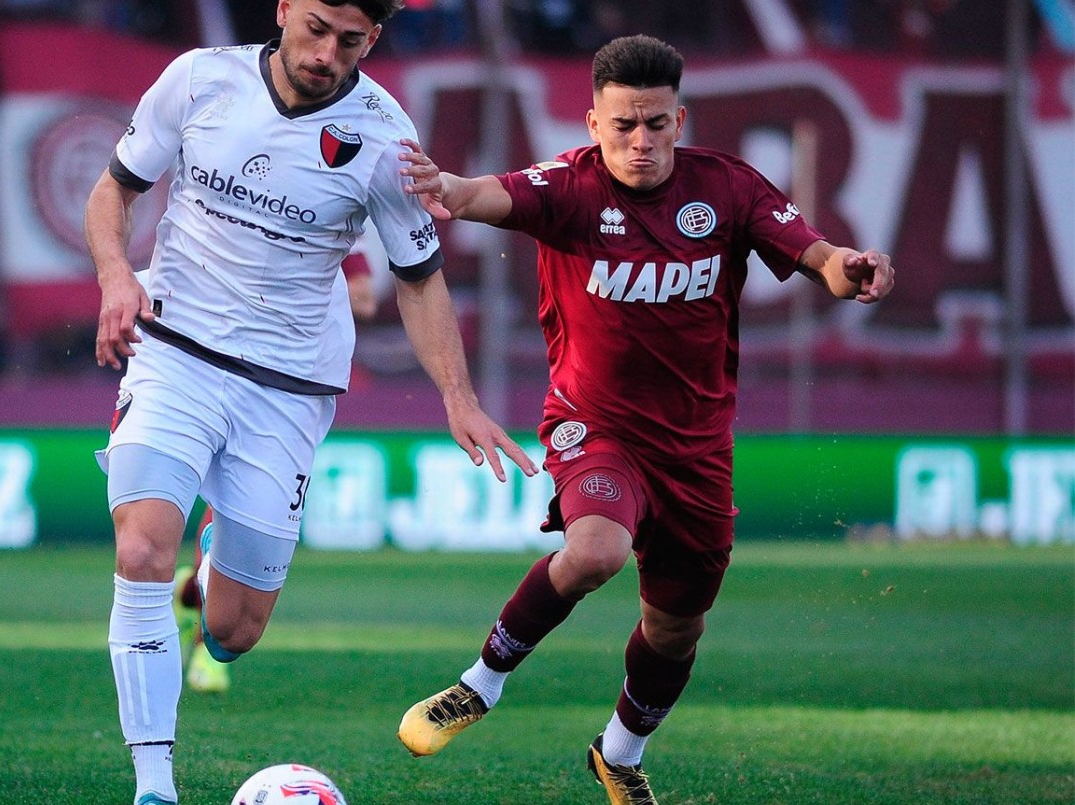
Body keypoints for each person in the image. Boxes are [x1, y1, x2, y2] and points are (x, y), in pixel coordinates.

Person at [394, 34, 894, 804]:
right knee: (593, 551)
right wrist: (446, 185)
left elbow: (812, 252)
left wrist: (845, 266)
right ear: (593, 122)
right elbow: (479, 194)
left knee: (675, 630)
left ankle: (620, 752)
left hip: (696, 450)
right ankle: (479, 684)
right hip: (595, 427)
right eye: (623, 124)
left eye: (656, 123)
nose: (640, 140)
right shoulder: (568, 186)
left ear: (679, 119)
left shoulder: (726, 188)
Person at [84, 2, 536, 803]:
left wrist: (458, 398)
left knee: (233, 632)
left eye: (350, 40)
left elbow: (418, 278)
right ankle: (154, 784)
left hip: (285, 389)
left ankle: (220, 552)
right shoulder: (199, 81)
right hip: (175, 350)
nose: (327, 52)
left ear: (375, 40)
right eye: (317, 27)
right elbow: (113, 191)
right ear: (286, 9)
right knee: (142, 550)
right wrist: (119, 277)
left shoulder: (385, 140)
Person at [171, 252, 382, 696]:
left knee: (240, 568)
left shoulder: (336, 219)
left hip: (290, 386)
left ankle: (192, 596)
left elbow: (364, 300)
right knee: (223, 506)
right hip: (216, 368)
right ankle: (206, 658)